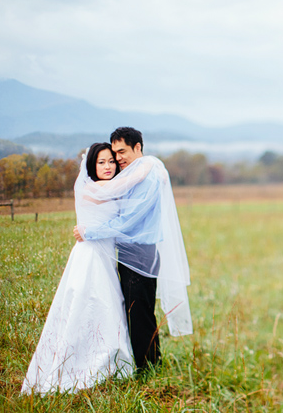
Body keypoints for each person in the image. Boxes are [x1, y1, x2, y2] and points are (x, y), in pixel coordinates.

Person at [73, 127, 193, 373]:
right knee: (136, 311)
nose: (118, 159)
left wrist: (90, 232)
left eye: (122, 151)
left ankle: (148, 367)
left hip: (140, 254)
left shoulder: (147, 175)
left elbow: (128, 221)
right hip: (132, 253)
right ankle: (144, 362)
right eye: (114, 153)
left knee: (139, 315)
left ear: (138, 147)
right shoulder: (141, 171)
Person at [21, 143, 134, 394]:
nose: (108, 167)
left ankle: (112, 358)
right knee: (91, 304)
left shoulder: (111, 190)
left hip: (105, 258)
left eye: (111, 161)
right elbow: (127, 182)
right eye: (101, 162)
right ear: (91, 166)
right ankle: (81, 361)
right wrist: (148, 165)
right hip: (90, 257)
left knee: (109, 306)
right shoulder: (92, 188)